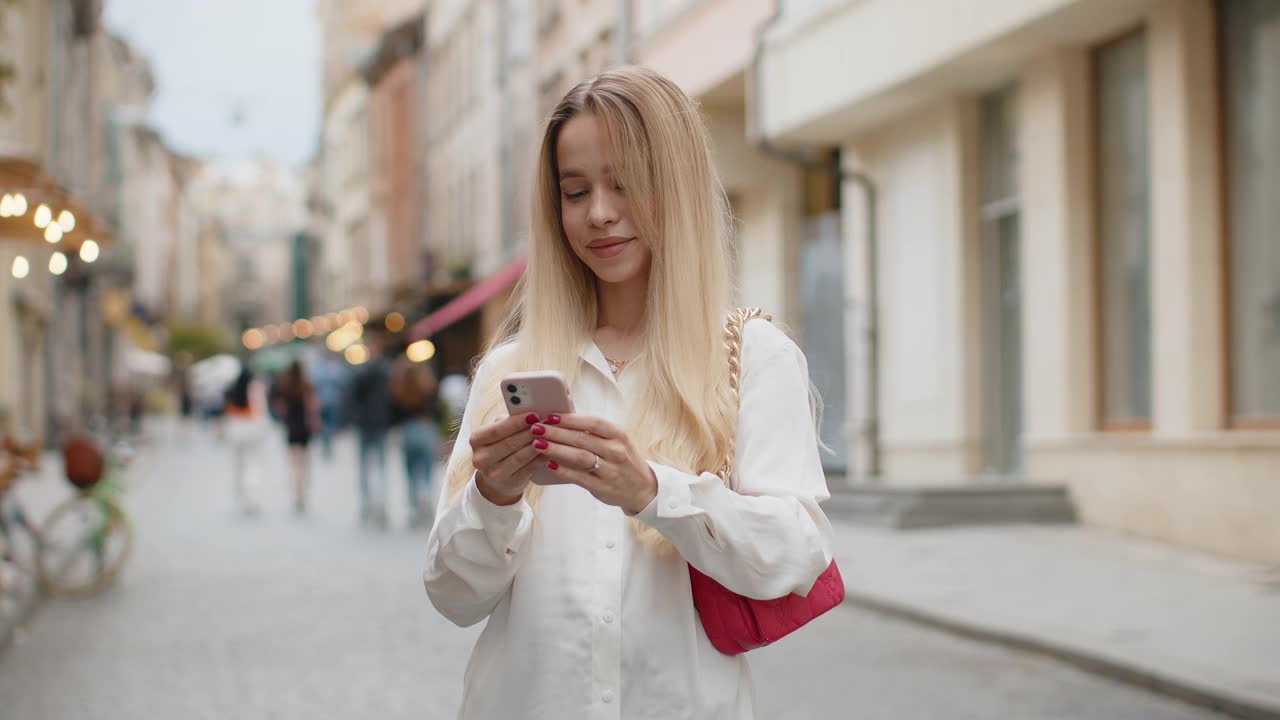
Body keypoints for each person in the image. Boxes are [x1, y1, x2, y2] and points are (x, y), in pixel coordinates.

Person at [423, 67, 835, 719]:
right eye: (575, 189)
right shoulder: (512, 369)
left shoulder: (752, 358)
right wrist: (493, 496)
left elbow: (794, 557)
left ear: (677, 185)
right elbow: (453, 596)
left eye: (624, 182)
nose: (599, 213)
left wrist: (653, 492)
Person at [346, 327, 393, 528]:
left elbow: (352, 398)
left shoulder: (361, 372)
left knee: (366, 466)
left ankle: (368, 504)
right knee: (380, 465)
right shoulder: (386, 372)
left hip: (366, 423)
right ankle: (379, 504)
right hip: (380, 422)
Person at [390, 357, 443, 529]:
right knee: (427, 470)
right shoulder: (430, 387)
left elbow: (395, 412)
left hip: (408, 431)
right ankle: (426, 498)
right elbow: (439, 411)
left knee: (410, 471)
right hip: (427, 429)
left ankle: (414, 504)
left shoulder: (401, 388)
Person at [223, 366, 267, 515]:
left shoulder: (235, 388)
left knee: (240, 464)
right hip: (252, 429)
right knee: (252, 464)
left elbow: (229, 409)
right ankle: (251, 496)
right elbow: (260, 410)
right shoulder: (255, 388)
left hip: (237, 429)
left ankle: (243, 495)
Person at [276, 360, 319, 514]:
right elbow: (312, 405)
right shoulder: (306, 384)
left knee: (294, 463)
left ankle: (297, 491)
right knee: (305, 462)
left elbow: (280, 406)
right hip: (304, 427)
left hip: (292, 427)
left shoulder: (285, 385)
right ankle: (303, 492)